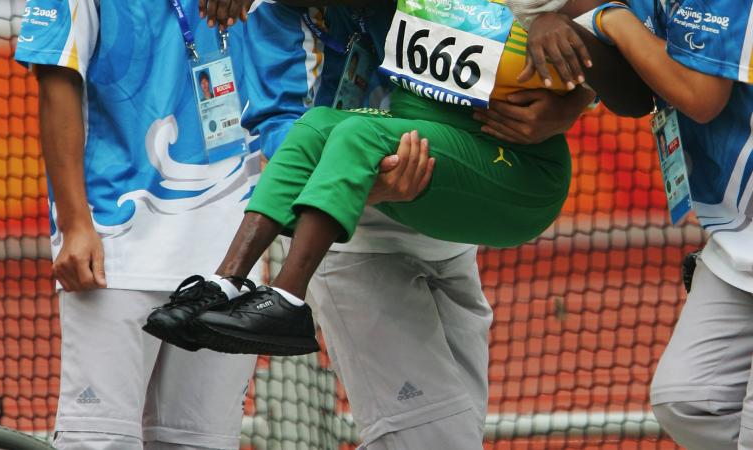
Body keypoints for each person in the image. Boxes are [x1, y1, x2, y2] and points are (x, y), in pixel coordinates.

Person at [145, 0, 650, 357]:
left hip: (514, 169)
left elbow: (633, 94)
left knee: (357, 134)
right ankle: (226, 282)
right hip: (431, 145)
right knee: (316, 128)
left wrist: (564, 31)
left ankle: (289, 302)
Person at [13, 1, 262, 448]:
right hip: (115, 250)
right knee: (98, 442)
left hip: (231, 254)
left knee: (201, 443)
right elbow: (57, 80)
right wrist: (74, 225)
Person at [513, 1, 753, 448]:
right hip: (736, 232)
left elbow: (700, 96)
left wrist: (610, 18)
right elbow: (634, 94)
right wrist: (550, 19)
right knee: (686, 398)